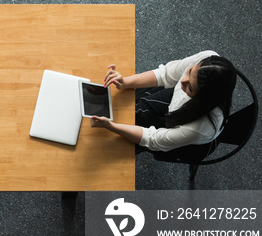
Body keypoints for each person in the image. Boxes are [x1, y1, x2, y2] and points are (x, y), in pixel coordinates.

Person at [89, 50, 237, 160]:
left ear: (202, 99)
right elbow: (165, 74)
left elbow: (152, 139)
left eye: (190, 88)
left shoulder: (199, 129)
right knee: (137, 110)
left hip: (186, 139)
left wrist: (111, 126)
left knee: (122, 141)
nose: (182, 81)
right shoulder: (206, 60)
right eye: (189, 71)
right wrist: (125, 82)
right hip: (179, 108)